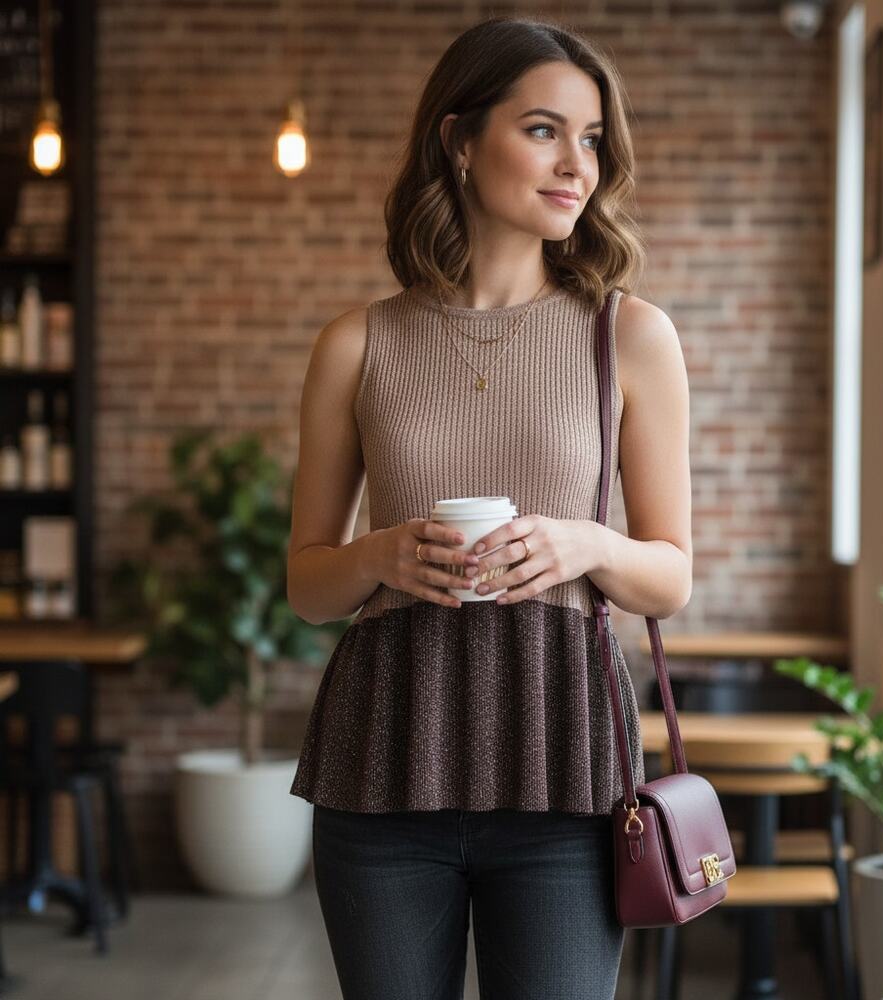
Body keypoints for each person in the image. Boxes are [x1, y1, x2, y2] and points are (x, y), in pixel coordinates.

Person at [286, 15, 692, 1000]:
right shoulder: (357, 342)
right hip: (384, 754)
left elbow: (670, 575)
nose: (577, 164)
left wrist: (582, 542)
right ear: (460, 141)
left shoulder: (629, 336)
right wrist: (381, 553)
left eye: (591, 139)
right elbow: (305, 583)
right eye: (545, 130)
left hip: (565, 761)